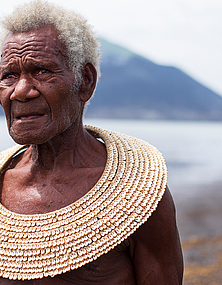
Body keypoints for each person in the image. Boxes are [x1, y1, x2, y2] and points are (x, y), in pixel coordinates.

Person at [0, 0, 183, 284]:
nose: (20, 91)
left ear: (85, 81)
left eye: (42, 71)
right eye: (8, 75)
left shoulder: (138, 194)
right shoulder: (3, 181)